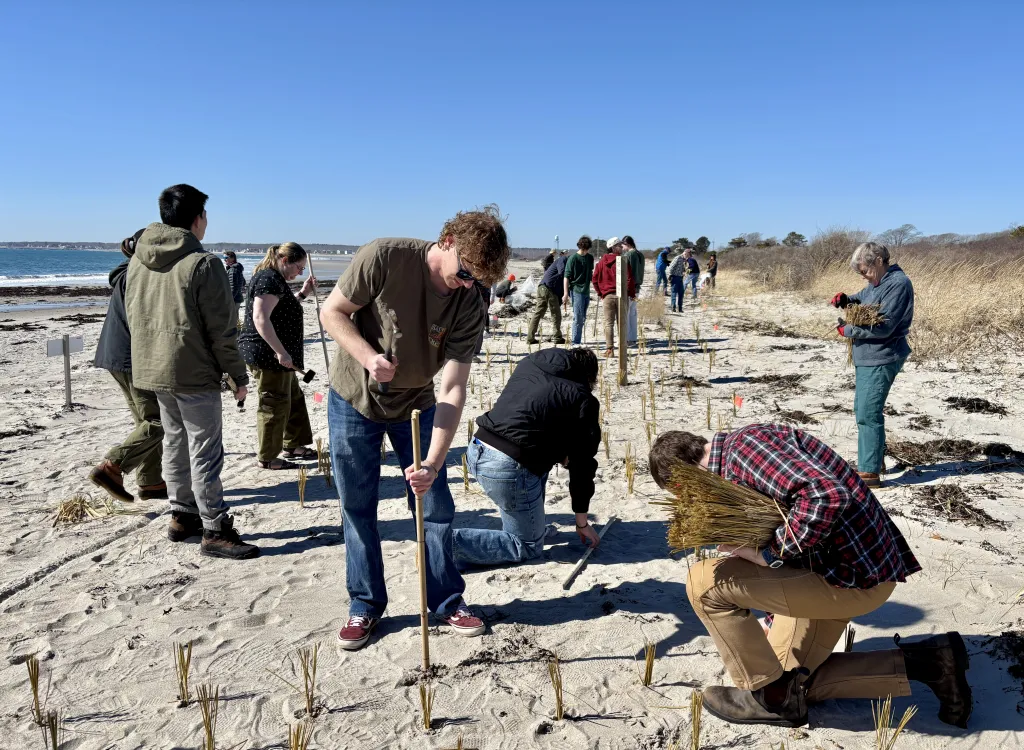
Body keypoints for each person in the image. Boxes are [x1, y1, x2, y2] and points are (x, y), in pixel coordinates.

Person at [648, 425, 970, 729]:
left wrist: (769, 554)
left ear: (682, 480)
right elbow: (794, 508)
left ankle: (768, 700)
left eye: (681, 494)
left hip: (848, 578)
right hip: (840, 571)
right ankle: (933, 663)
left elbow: (826, 495)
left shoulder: (743, 453)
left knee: (704, 583)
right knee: (794, 683)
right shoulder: (744, 448)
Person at [319, 206, 510, 651]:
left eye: (478, 283)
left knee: (435, 504)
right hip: (355, 397)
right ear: (446, 242)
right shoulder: (384, 257)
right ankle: (364, 604)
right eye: (464, 274)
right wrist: (369, 358)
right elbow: (333, 312)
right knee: (357, 505)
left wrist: (432, 461)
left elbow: (454, 389)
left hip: (417, 403)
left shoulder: (470, 301)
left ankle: (446, 600)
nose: (467, 287)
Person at [126, 184, 257, 559]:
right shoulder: (204, 263)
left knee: (174, 440)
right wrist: (238, 376)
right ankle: (214, 527)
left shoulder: (138, 259)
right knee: (204, 449)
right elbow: (222, 329)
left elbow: (133, 314)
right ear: (198, 218)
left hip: (153, 366)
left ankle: (181, 515)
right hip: (193, 369)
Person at [452, 347, 602, 567]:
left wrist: (561, 453)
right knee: (528, 547)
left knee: (536, 466)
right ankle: (444, 543)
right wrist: (581, 523)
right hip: (508, 468)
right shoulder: (583, 399)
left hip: (477, 449)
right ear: (589, 377)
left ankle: (534, 527)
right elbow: (582, 466)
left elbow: (530, 420)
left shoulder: (532, 363)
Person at [89, 229, 166, 503]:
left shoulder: (127, 269)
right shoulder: (143, 274)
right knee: (160, 420)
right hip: (132, 357)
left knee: (144, 420)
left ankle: (151, 482)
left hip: (114, 354)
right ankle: (113, 465)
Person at [832, 242, 914, 488]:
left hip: (882, 356)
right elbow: (863, 298)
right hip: (867, 356)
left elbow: (885, 326)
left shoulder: (898, 284)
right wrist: (847, 300)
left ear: (879, 261)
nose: (864, 276)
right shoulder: (877, 282)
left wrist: (848, 330)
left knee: (868, 413)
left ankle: (868, 473)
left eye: (865, 270)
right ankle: (874, 459)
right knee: (863, 409)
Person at [237, 242, 319, 470]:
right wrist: (280, 352)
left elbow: (281, 309)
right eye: (298, 267)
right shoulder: (268, 279)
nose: (300, 271)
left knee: (293, 397)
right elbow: (260, 318)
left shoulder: (275, 279)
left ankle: (293, 444)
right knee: (274, 403)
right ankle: (268, 457)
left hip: (280, 355)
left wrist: (302, 293)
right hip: (268, 355)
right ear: (285, 261)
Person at [591, 240, 635, 357]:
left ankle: (610, 349)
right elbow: (630, 279)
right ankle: (620, 350)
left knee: (608, 323)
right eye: (619, 245)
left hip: (608, 296)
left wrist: (601, 293)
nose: (621, 247)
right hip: (620, 295)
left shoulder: (601, 263)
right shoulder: (623, 261)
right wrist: (631, 293)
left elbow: (594, 279)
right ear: (613, 247)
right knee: (621, 323)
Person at [527, 248, 567, 344]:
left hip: (542, 287)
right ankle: (557, 337)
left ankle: (530, 338)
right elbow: (562, 272)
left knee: (538, 313)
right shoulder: (563, 259)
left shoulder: (559, 260)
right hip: (549, 288)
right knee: (556, 314)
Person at [562, 235, 595, 346]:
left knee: (583, 317)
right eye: (583, 249)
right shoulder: (573, 258)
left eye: (587, 249)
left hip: (586, 290)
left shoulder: (590, 258)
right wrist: (566, 293)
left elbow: (591, 274)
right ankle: (575, 342)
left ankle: (577, 339)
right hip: (576, 290)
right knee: (578, 317)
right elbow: (566, 276)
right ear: (580, 247)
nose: (585, 251)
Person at [621, 236, 644, 345]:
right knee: (633, 313)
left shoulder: (629, 255)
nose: (622, 247)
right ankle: (633, 337)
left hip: (630, 288)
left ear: (627, 244)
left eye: (623, 245)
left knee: (627, 313)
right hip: (637, 287)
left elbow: (626, 272)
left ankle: (627, 338)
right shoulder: (640, 254)